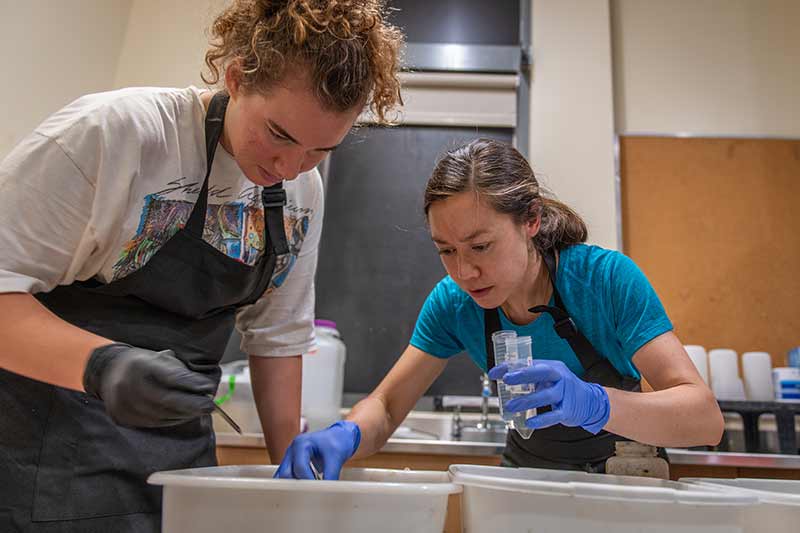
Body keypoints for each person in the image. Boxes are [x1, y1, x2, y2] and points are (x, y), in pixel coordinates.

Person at [0, 0, 402, 530]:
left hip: (181, 472)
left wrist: (298, 484)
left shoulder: (302, 191)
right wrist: (101, 364)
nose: (288, 167)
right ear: (236, 78)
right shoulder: (118, 136)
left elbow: (277, 339)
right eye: (279, 135)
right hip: (47, 462)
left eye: (318, 149)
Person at [276, 138, 724, 480]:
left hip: (622, 484)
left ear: (530, 220)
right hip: (525, 487)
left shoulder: (604, 281)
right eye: (446, 250)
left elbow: (704, 420)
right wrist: (347, 434)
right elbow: (389, 406)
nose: (464, 272)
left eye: (481, 246)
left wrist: (593, 403)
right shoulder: (454, 305)